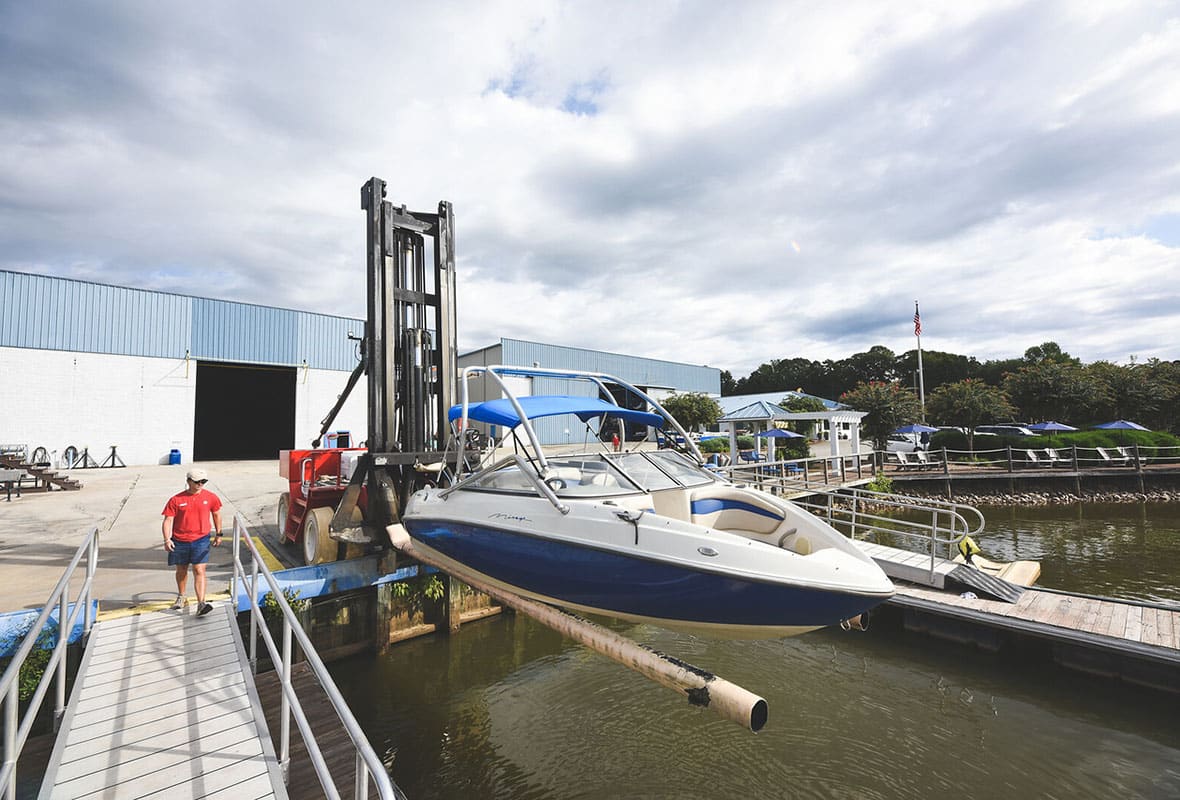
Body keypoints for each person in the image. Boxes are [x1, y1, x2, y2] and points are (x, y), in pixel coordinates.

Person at [162, 467, 223, 616]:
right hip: (180, 540)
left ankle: (201, 603)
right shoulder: (176, 500)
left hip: (201, 540)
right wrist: (167, 539)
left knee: (199, 570)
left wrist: (219, 533)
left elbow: (216, 514)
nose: (200, 484)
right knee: (181, 570)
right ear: (189, 481)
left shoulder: (211, 497)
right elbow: (168, 520)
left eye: (203, 481)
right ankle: (181, 596)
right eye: (197, 482)